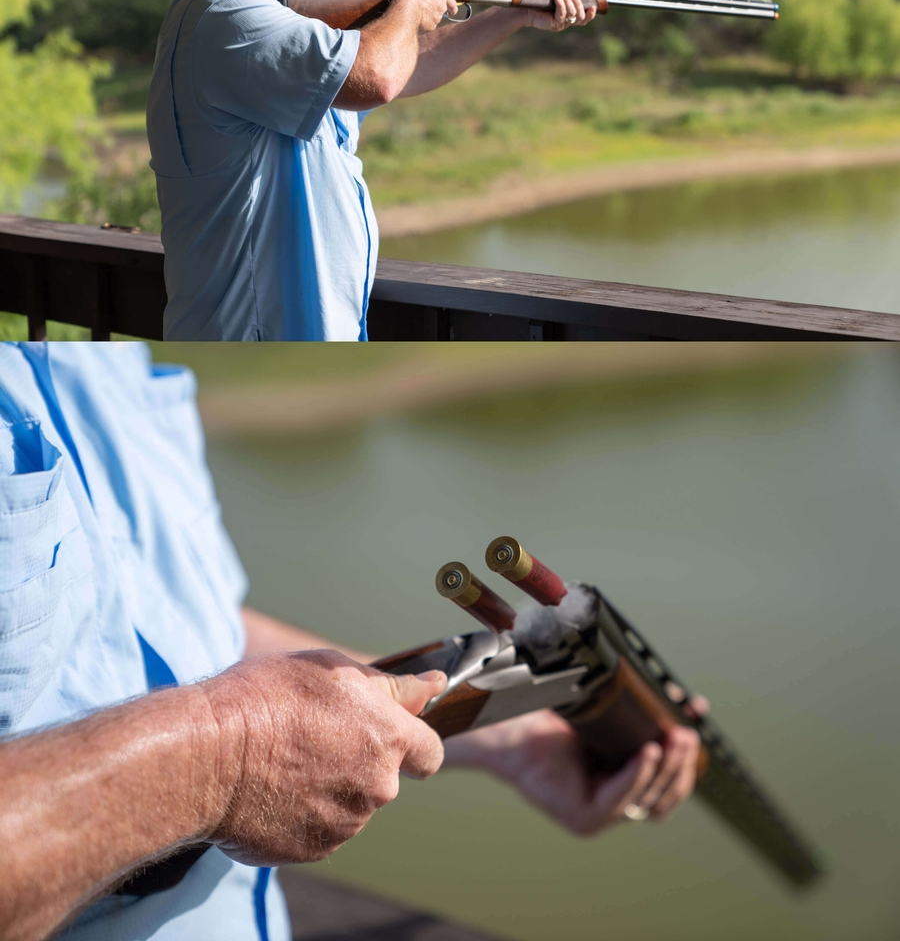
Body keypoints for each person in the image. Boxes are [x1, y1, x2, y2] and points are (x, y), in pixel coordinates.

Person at [0, 343, 702, 941]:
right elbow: (224, 724)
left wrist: (510, 740)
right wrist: (223, 761)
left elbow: (189, 631)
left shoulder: (99, 352)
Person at [146, 0, 601, 341]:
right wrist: (410, 6)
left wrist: (511, 16)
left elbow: (407, 67)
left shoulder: (283, 24)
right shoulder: (226, 13)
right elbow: (377, 77)